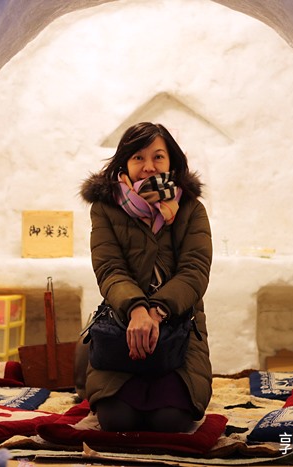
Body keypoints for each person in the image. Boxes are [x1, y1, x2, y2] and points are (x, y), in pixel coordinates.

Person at [78, 122, 213, 433]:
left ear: (171, 161)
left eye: (158, 157)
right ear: (124, 162)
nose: (149, 166)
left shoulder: (191, 209)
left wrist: (157, 310)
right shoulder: (105, 208)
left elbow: (195, 270)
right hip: (123, 324)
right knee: (116, 420)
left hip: (179, 327)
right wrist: (136, 309)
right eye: (138, 157)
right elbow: (109, 268)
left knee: (170, 420)